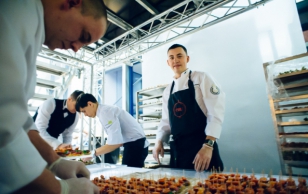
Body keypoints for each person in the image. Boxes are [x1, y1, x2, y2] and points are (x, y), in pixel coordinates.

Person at [0, 0, 107, 193]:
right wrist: (60, 188)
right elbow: (4, 125)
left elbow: (23, 124)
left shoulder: (33, 31)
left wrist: (55, 162)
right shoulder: (17, 9)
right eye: (83, 36)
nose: (77, 49)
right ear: (72, 2)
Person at [153, 44, 225, 172]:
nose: (175, 60)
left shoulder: (201, 78)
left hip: (201, 147)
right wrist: (159, 140)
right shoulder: (167, 91)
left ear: (187, 59)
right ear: (168, 62)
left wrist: (208, 146)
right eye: (172, 57)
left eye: (179, 56)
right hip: (179, 152)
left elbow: (215, 113)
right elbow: (166, 122)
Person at [75, 93, 149, 168]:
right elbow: (116, 141)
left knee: (129, 176)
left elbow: (116, 142)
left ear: (90, 104)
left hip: (135, 145)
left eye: (84, 111)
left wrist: (93, 153)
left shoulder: (105, 112)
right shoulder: (104, 111)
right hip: (135, 144)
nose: (85, 115)